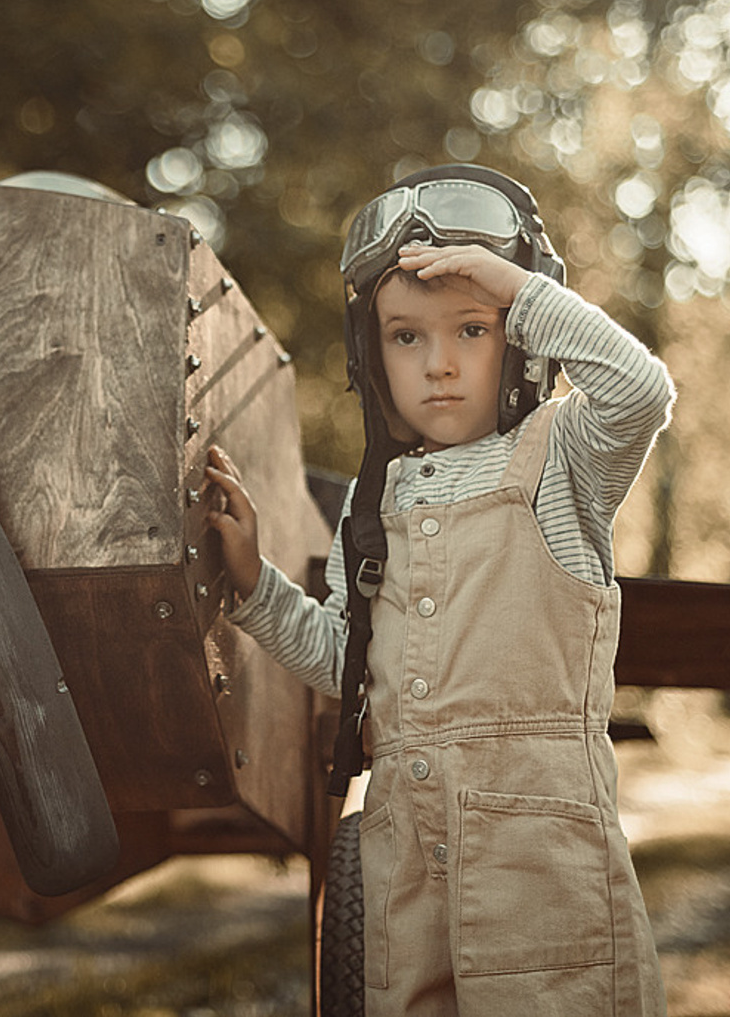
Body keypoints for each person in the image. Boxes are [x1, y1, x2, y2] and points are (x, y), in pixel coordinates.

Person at [205, 165, 674, 1016]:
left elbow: (640, 390)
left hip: (540, 839)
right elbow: (345, 660)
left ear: (521, 341)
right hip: (401, 841)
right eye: (406, 337)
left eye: (472, 329)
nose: (441, 366)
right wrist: (251, 584)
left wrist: (518, 289)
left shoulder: (562, 457)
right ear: (369, 353)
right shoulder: (372, 496)